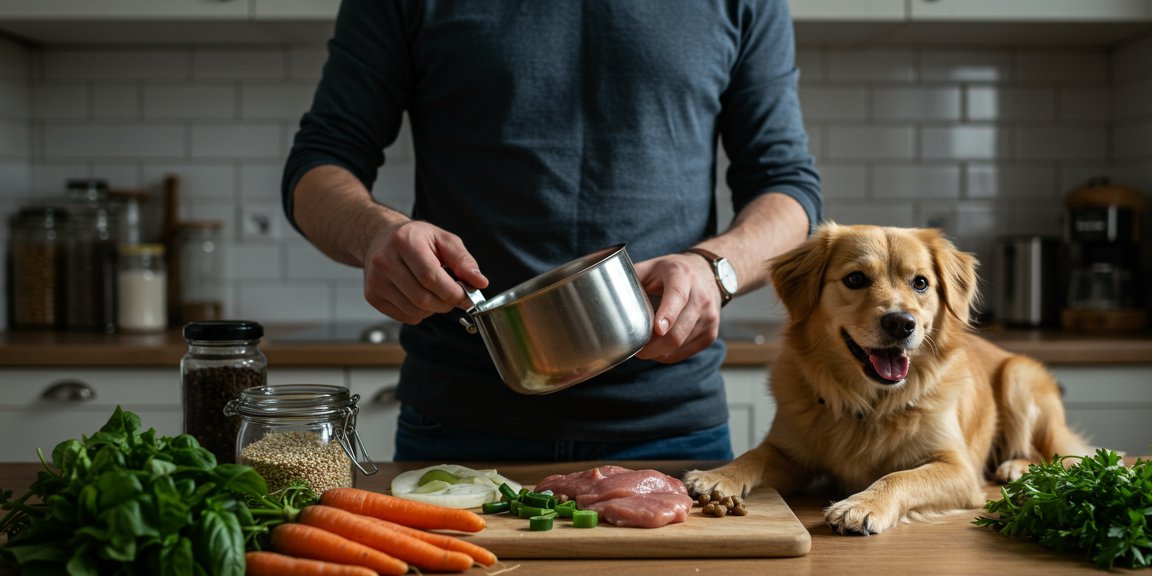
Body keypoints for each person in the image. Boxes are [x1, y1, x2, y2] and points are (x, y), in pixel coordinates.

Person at [282, 0, 823, 463]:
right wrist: (376, 231)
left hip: (673, 428)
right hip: (458, 427)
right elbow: (319, 164)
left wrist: (714, 267)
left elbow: (787, 187)